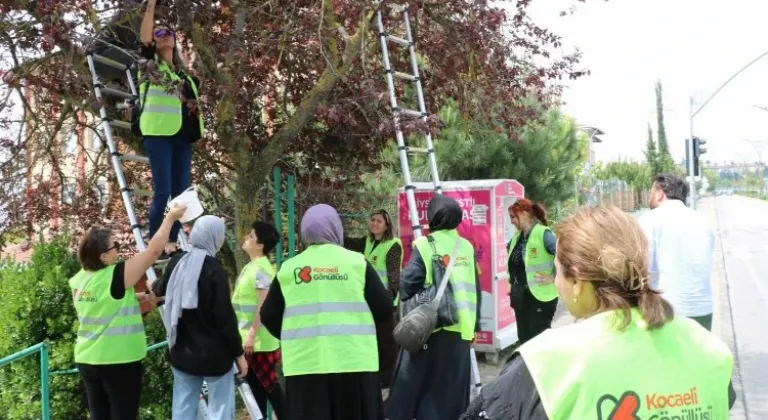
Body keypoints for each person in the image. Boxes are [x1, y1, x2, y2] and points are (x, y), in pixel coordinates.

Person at [461, 206, 735, 420]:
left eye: (558, 270)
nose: (557, 280)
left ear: (577, 281)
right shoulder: (707, 347)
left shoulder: (545, 363)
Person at [260, 204, 393, 420]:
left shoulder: (289, 268)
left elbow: (268, 314)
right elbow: (385, 307)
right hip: (355, 361)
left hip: (305, 365)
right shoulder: (356, 263)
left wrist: (294, 335)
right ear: (335, 228)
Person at [70, 204, 186, 420]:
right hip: (117, 361)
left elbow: (105, 303)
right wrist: (169, 218)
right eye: (115, 245)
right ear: (103, 256)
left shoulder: (81, 279)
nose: (119, 248)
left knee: (99, 415)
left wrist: (141, 297)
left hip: (87, 360)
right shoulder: (116, 275)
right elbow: (152, 251)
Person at [386, 194, 482, 420]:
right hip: (462, 331)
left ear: (433, 218)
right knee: (450, 394)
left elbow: (407, 286)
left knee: (422, 391)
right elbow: (475, 290)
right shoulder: (466, 247)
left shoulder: (424, 245)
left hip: (430, 329)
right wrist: (474, 327)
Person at [151, 216, 248, 420]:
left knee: (183, 408)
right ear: (216, 238)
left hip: (182, 352)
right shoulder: (215, 271)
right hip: (215, 356)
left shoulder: (178, 262)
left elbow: (160, 288)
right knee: (220, 409)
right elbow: (225, 319)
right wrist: (239, 354)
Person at [139, 0, 205, 259]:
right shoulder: (150, 65)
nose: (165, 36)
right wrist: (151, 6)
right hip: (158, 134)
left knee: (181, 194)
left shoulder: (184, 75)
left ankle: (171, 239)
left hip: (181, 137)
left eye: (169, 32)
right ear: (154, 42)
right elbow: (143, 39)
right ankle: (157, 241)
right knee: (164, 192)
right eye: (159, 33)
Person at [639, 173, 715, 330]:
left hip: (667, 310)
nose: (649, 196)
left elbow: (642, 267)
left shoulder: (649, 220)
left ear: (660, 193)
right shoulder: (703, 221)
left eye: (651, 192)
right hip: (703, 309)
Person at [344, 209, 402, 389]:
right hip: (367, 302)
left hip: (385, 303)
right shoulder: (367, 242)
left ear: (387, 226)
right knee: (372, 341)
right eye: (372, 220)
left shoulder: (393, 245)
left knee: (387, 345)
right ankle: (374, 378)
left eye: (379, 221)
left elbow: (394, 275)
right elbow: (348, 243)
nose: (374, 223)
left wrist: (389, 298)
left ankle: (388, 381)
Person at [233, 221, 286, 418]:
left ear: (259, 245)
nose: (246, 238)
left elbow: (263, 306)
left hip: (258, 342)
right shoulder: (253, 266)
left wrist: (252, 335)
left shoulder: (261, 268)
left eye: (251, 236)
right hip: (253, 341)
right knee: (260, 391)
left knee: (270, 389)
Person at [507, 199, 557, 345]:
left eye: (513, 217)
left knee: (538, 341)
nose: (511, 222)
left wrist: (553, 276)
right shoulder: (517, 237)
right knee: (524, 340)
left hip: (540, 298)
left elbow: (565, 256)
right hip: (521, 298)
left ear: (523, 214)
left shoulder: (544, 234)